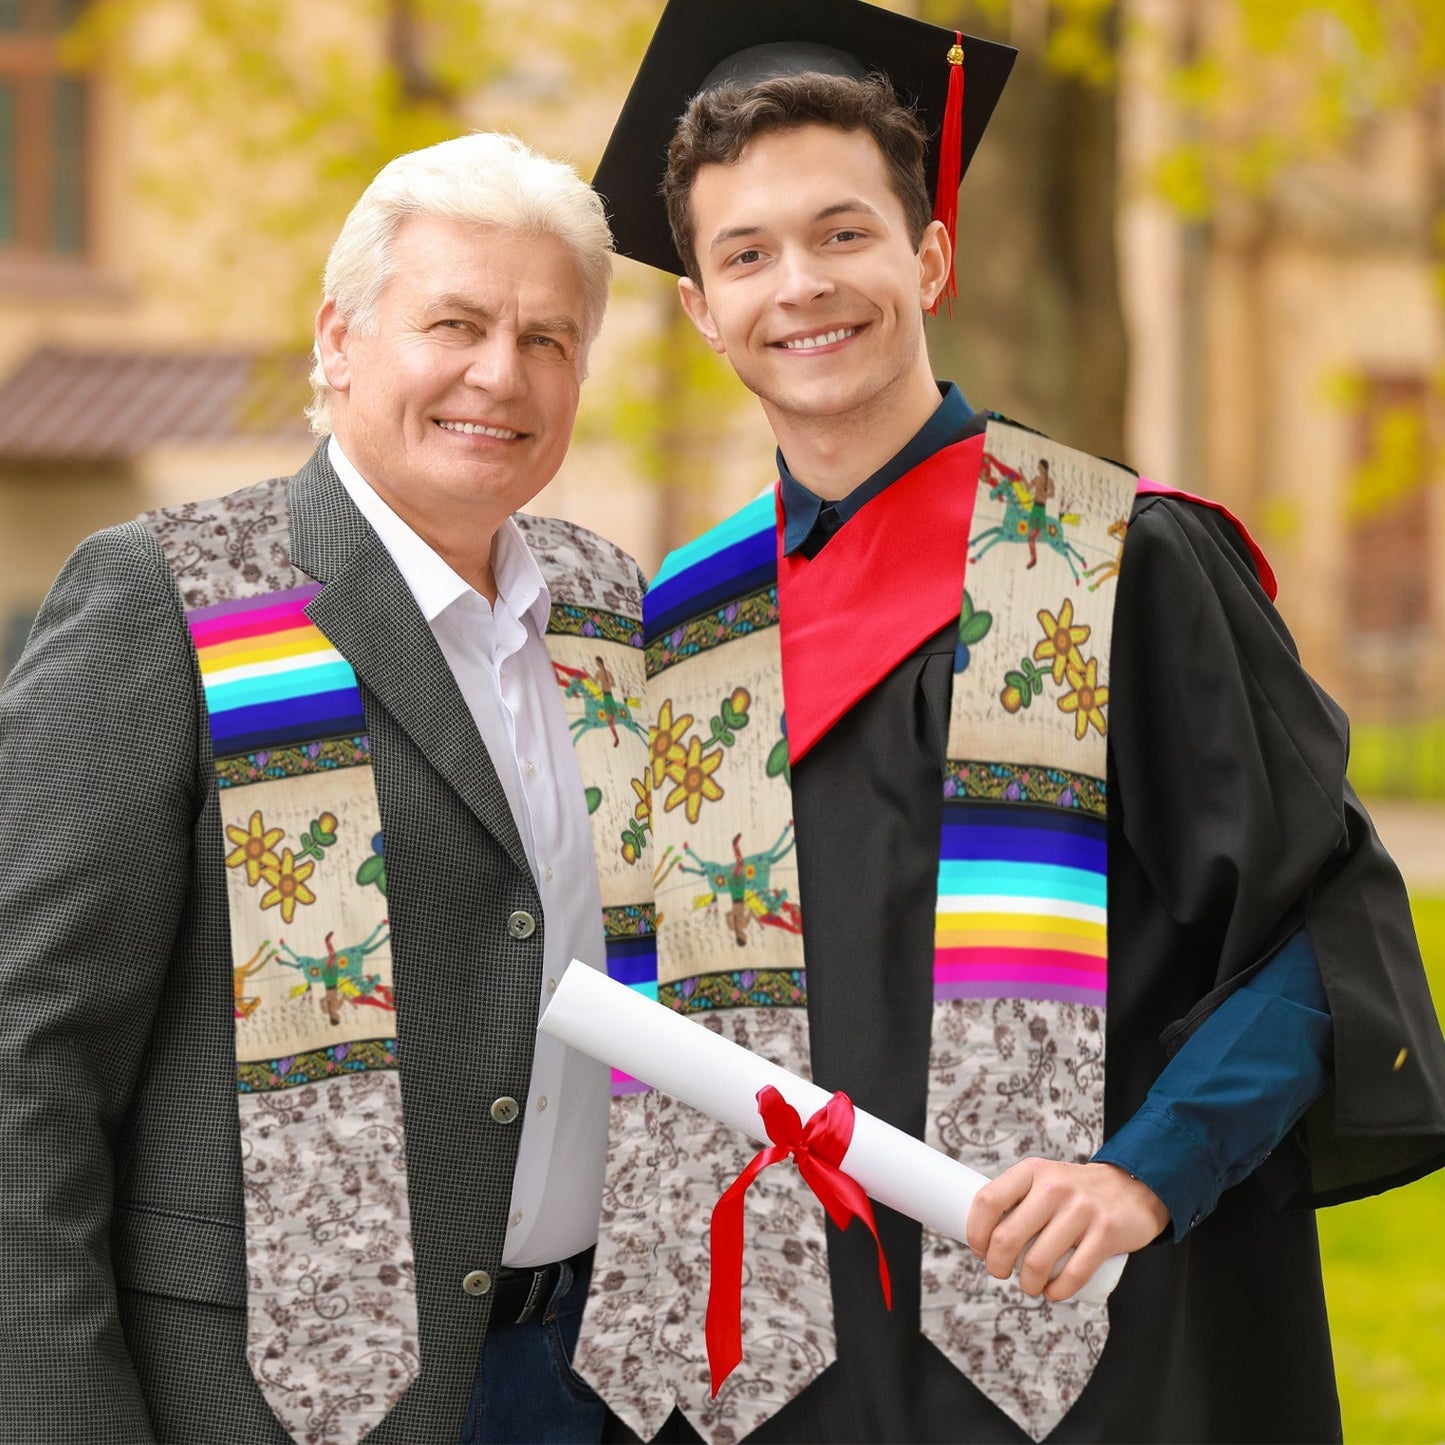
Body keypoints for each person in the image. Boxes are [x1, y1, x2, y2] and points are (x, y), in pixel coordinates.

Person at [571, 2, 1445, 1442]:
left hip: (1094, 1344)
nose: (800, 285)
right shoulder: (687, 627)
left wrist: (1142, 1173)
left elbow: (1316, 932)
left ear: (928, 254)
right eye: (745, 254)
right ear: (701, 307)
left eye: (842, 233)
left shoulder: (1120, 561)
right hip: (785, 1380)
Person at [0, 132, 651, 1445]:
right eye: (454, 322)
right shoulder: (182, 595)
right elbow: (28, 1055)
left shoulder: (610, 610)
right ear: (339, 339)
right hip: (269, 1399)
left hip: (589, 1382)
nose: (498, 373)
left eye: (546, 338)